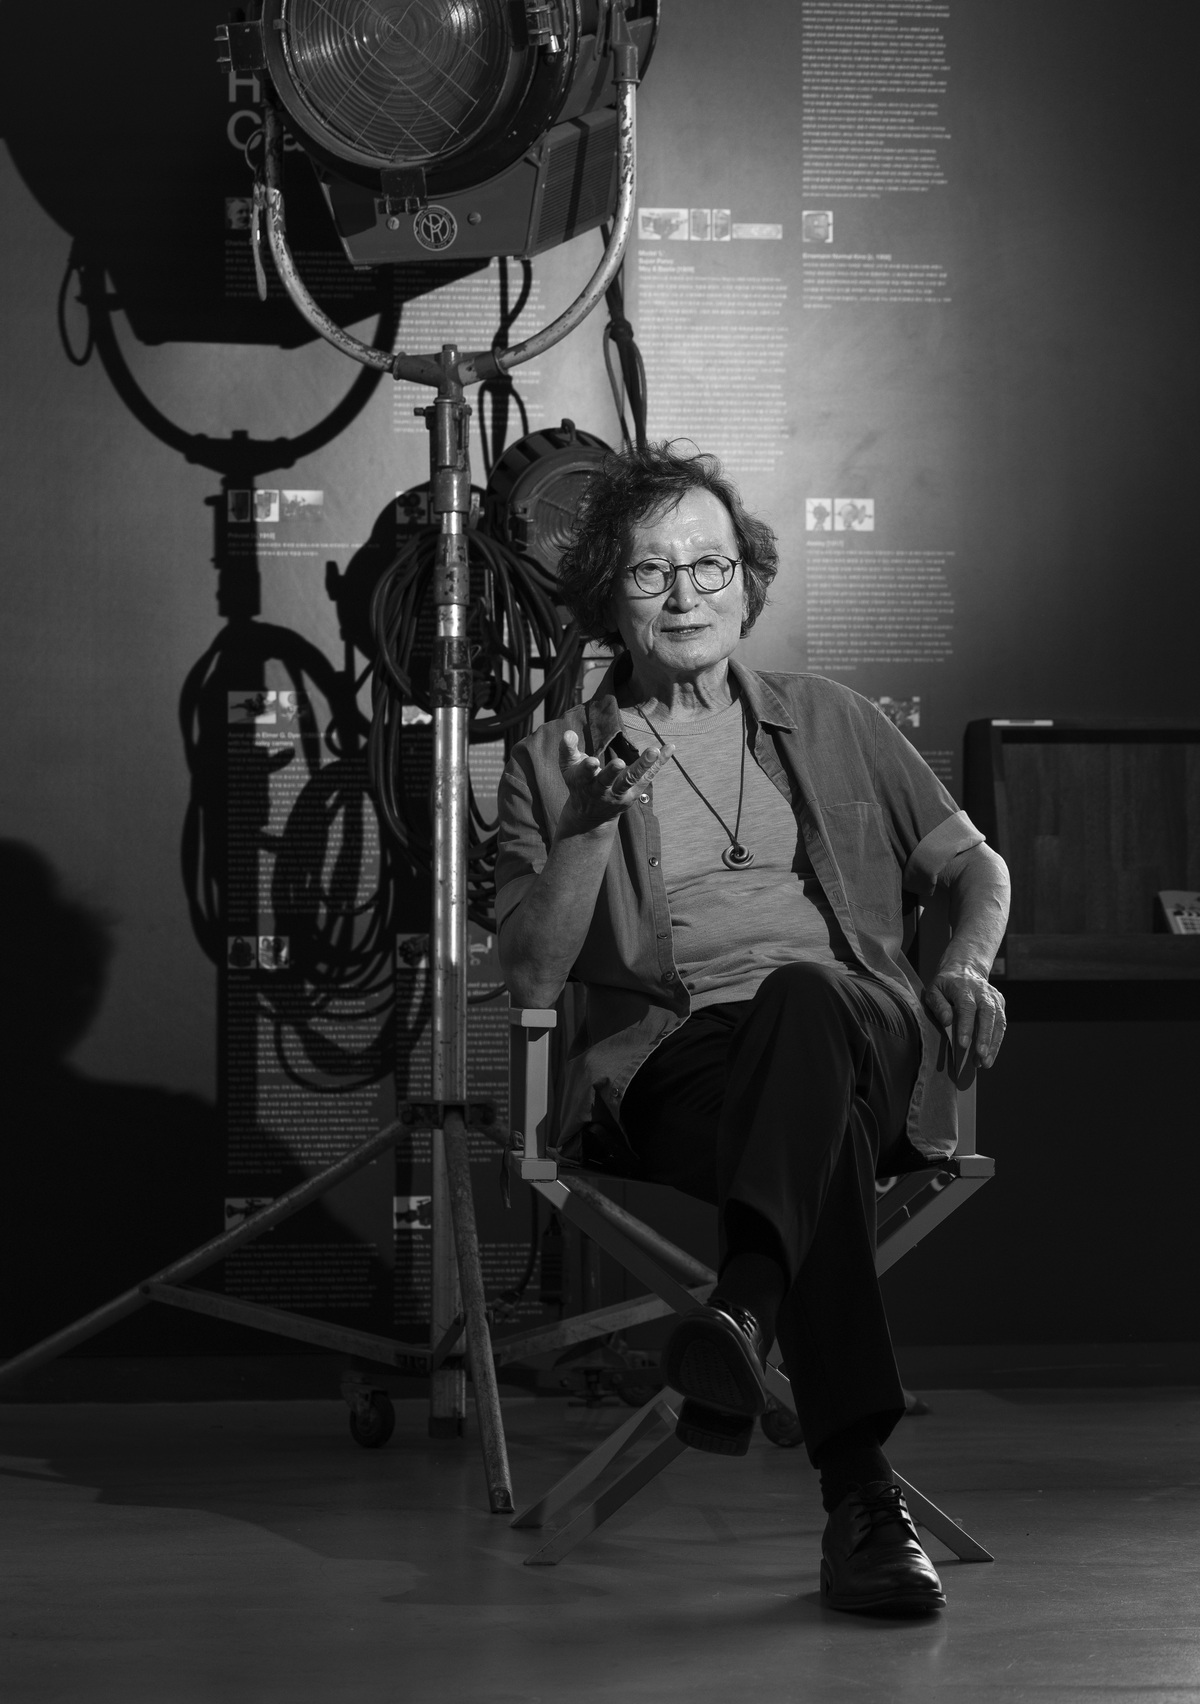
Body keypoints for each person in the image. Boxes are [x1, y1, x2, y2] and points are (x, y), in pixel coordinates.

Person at [495, 443, 1010, 1615]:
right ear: (608, 596)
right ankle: (857, 1489)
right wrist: (584, 828)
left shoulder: (832, 718)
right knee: (812, 1133)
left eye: (710, 566)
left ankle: (745, 1308)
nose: (685, 596)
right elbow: (528, 976)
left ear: (748, 581)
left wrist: (967, 962)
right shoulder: (551, 761)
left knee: (806, 996)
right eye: (650, 572)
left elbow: (977, 868)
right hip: (678, 1069)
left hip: (857, 1029)